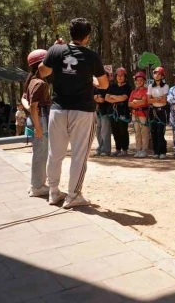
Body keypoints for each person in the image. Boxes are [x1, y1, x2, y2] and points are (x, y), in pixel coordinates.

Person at [38, 18, 109, 208]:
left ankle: (53, 192)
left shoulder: (55, 51)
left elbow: (42, 71)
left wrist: (53, 50)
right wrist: (92, 80)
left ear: (70, 33)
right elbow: (104, 84)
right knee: (79, 155)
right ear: (87, 37)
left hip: (58, 109)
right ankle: (73, 195)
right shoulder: (92, 56)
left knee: (55, 153)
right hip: (83, 110)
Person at [24, 48, 51, 198]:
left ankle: (36, 183)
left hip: (37, 119)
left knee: (38, 153)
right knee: (41, 153)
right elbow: (34, 107)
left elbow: (24, 100)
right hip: (41, 119)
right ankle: (37, 186)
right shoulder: (40, 83)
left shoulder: (31, 81)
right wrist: (39, 127)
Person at [106, 68, 132, 157]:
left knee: (123, 130)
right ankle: (118, 149)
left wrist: (113, 97)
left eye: (122, 76)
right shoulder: (112, 86)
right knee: (115, 130)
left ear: (125, 77)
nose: (120, 77)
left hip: (123, 111)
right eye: (118, 75)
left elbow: (124, 98)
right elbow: (106, 98)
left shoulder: (127, 87)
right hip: (113, 111)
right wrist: (117, 98)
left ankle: (124, 149)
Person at [147, 67, 169, 159]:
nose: (157, 75)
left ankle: (162, 151)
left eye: (159, 74)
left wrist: (154, 99)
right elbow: (148, 100)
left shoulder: (165, 86)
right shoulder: (150, 86)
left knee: (160, 131)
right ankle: (156, 152)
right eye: (155, 73)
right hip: (152, 111)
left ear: (162, 76)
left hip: (161, 111)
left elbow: (164, 100)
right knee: (153, 131)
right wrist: (157, 99)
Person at [129, 71, 150, 158]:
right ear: (135, 81)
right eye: (138, 80)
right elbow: (129, 104)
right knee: (137, 132)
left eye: (141, 80)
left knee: (144, 132)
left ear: (144, 81)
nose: (139, 82)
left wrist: (135, 101)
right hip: (135, 114)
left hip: (143, 114)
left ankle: (144, 150)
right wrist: (137, 102)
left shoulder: (147, 91)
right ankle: (138, 149)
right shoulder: (133, 92)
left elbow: (144, 101)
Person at [93, 69, 113, 157]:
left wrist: (97, 98)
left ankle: (106, 149)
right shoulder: (96, 87)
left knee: (105, 131)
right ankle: (100, 148)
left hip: (106, 111)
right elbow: (93, 97)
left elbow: (102, 99)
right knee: (98, 131)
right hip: (98, 112)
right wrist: (97, 97)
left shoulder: (109, 87)